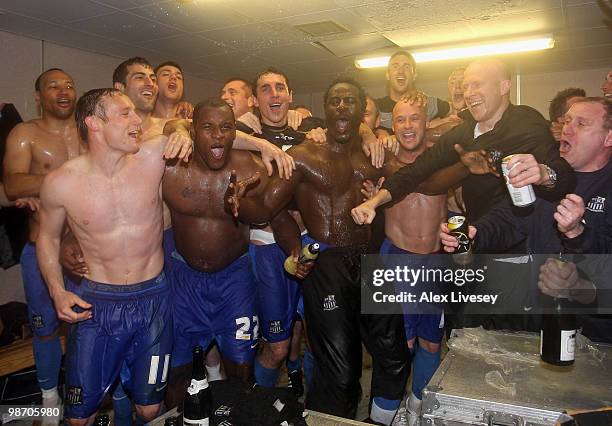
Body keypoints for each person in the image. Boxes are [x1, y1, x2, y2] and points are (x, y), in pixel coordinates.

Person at [228, 78, 410, 424]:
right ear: (325, 109)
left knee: (395, 356)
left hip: (373, 263)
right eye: (335, 100)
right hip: (328, 265)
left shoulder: (375, 154)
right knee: (340, 371)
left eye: (350, 101)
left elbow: (415, 178)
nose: (342, 106)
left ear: (362, 109)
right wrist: (238, 202)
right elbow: (268, 207)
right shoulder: (304, 156)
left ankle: (378, 421)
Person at [36, 88, 192, 425]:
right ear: (93, 122)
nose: (137, 120)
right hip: (97, 304)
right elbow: (46, 238)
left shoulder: (152, 157)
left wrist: (181, 131)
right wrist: (56, 290)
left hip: (153, 299)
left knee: (150, 408)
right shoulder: (61, 182)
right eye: (125, 113)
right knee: (80, 415)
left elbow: (209, 129)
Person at [162, 98, 302, 407]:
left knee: (240, 371)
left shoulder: (248, 168)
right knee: (179, 375)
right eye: (207, 128)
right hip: (184, 283)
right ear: (193, 130)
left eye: (226, 128)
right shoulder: (169, 166)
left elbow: (279, 219)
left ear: (234, 133)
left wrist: (295, 251)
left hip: (234, 283)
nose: (217, 136)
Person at [440, 97, 612, 342]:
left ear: (608, 138)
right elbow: (510, 218)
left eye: (581, 124)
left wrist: (580, 279)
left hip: (593, 340)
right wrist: (476, 233)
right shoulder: (549, 178)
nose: (567, 129)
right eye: (566, 121)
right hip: (536, 326)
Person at [353, 58, 576, 225]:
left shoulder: (527, 123)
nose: (468, 93)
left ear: (504, 86)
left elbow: (564, 174)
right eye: (466, 86)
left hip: (519, 248)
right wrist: (373, 202)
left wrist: (544, 174)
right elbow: (417, 170)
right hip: (477, 239)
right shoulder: (464, 132)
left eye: (477, 85)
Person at [2, 68, 82, 420]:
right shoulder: (25, 133)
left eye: (68, 85)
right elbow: (14, 186)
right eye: (53, 86)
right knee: (45, 327)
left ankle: (86, 391)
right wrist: (59, 180)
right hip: (41, 248)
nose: (63, 92)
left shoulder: (88, 131)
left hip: (85, 250)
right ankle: (49, 397)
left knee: (87, 325)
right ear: (38, 96)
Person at [370, 94, 448, 425]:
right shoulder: (381, 160)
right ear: (392, 125)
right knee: (400, 343)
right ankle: (387, 410)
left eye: (414, 118)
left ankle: (417, 407)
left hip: (435, 261)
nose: (407, 126)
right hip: (396, 260)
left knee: (431, 343)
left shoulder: (442, 161)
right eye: (400, 119)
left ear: (426, 122)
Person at [375, 51, 450, 129]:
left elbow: (459, 115)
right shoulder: (376, 107)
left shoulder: (428, 103)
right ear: (387, 75)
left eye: (406, 67)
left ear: (414, 75)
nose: (401, 71)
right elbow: (362, 125)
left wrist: (435, 127)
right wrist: (377, 133)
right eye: (395, 66)